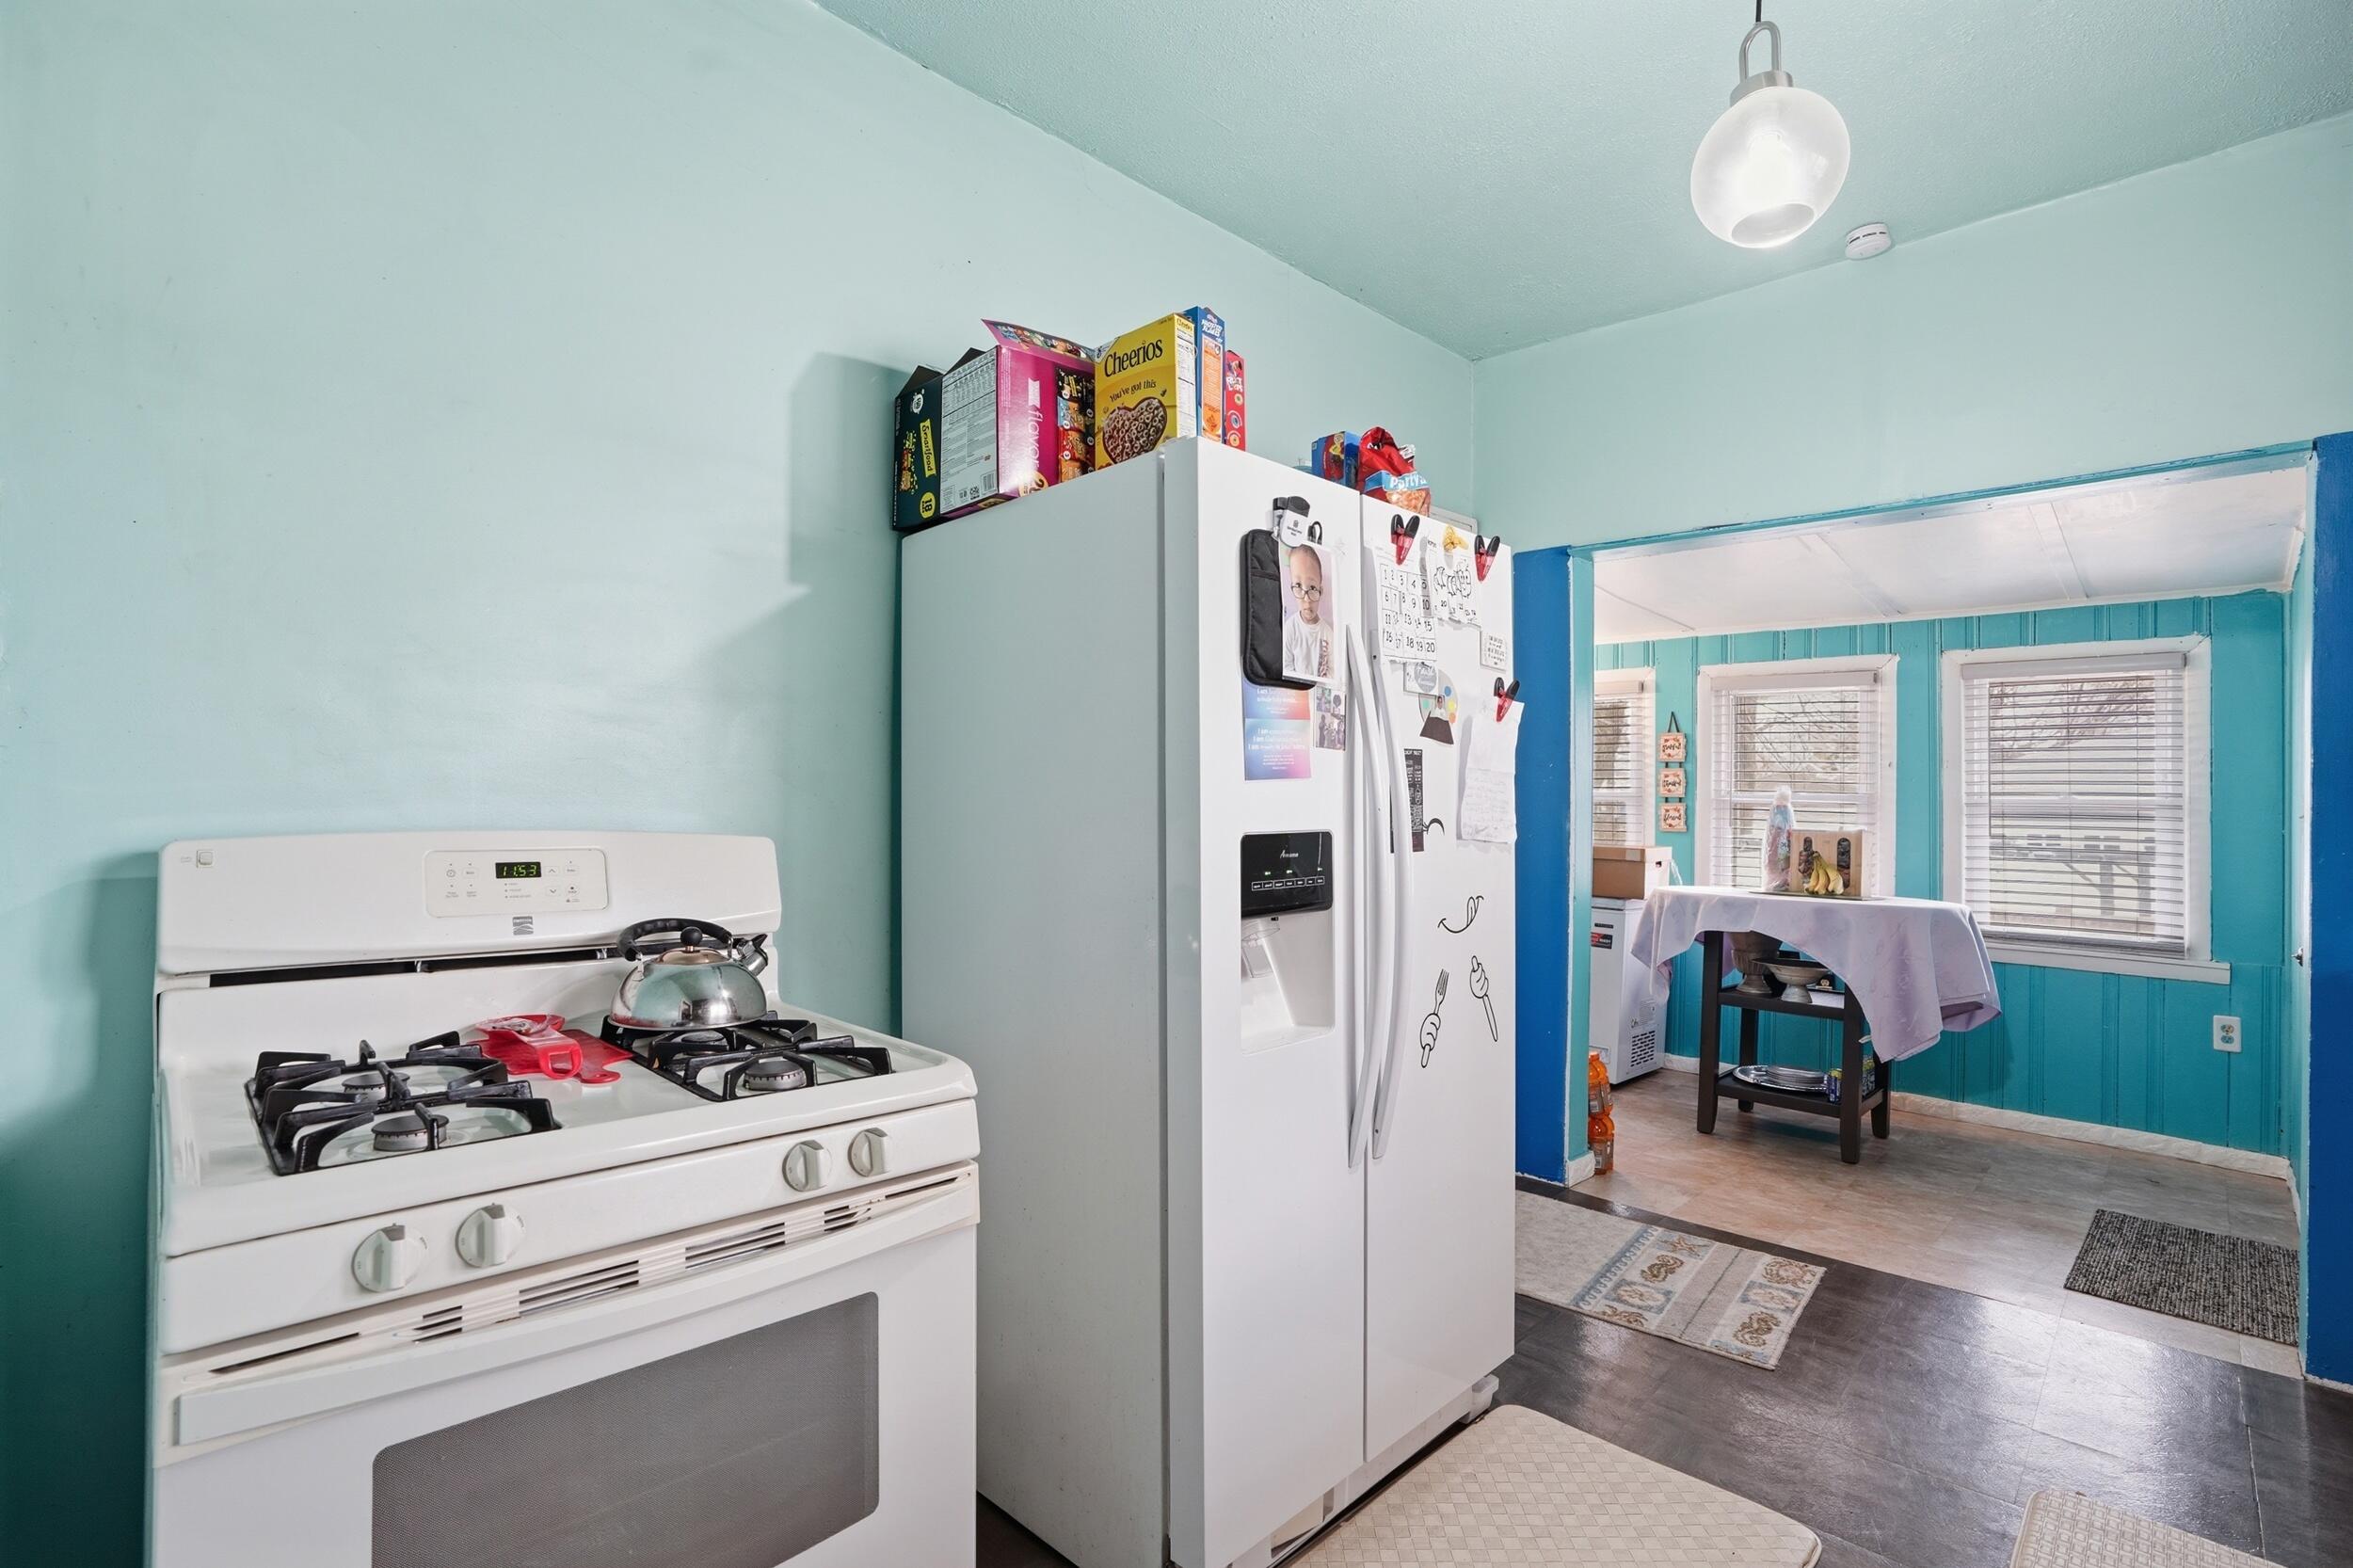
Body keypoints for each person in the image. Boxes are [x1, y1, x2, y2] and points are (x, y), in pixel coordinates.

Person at [1282, 544, 1331, 682]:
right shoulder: (1290, 628)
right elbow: (1286, 665)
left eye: (1312, 588)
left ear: (1321, 591)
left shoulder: (1328, 633)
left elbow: (1331, 672)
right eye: (1298, 586)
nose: (1306, 598)